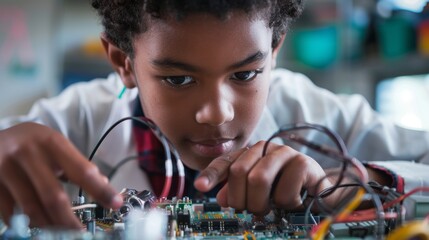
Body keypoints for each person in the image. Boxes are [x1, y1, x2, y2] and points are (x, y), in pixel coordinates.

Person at [0, 0, 428, 230]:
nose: (216, 112)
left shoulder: (317, 113)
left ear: (275, 51)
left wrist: (357, 184)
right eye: (178, 80)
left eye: (245, 73)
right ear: (123, 61)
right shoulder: (77, 120)